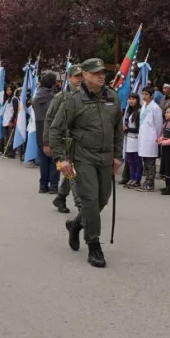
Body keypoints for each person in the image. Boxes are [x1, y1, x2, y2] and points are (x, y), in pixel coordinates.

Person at [50, 58, 123, 268]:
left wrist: (118, 155)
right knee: (90, 200)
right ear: (85, 76)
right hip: (83, 156)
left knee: (102, 199)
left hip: (106, 156)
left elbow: (118, 128)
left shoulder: (112, 96)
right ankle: (94, 245)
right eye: (97, 73)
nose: (102, 76)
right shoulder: (73, 100)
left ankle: (75, 224)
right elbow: (56, 129)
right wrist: (60, 159)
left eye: (103, 72)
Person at [45, 64, 84, 214]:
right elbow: (49, 120)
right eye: (76, 76)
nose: (79, 79)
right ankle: (80, 205)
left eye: (82, 76)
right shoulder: (60, 97)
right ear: (69, 78)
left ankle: (60, 197)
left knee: (72, 172)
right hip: (63, 141)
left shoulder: (85, 96)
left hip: (79, 141)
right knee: (72, 173)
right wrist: (47, 143)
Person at [33, 72, 60, 194]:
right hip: (53, 128)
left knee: (43, 159)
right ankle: (54, 185)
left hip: (39, 128)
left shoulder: (35, 98)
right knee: (56, 158)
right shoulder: (55, 98)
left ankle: (43, 185)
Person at [137, 87, 163, 192]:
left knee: (151, 161)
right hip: (143, 137)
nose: (144, 96)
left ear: (151, 95)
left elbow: (158, 125)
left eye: (146, 94)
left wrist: (157, 137)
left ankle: (150, 182)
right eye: (143, 94)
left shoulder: (155, 108)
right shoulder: (143, 106)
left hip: (151, 137)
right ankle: (146, 180)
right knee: (145, 160)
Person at [123, 92, 143, 189]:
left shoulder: (139, 111)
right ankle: (132, 177)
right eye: (129, 99)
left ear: (137, 100)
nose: (131, 101)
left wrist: (127, 129)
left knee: (137, 160)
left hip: (136, 139)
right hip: (129, 139)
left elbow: (139, 129)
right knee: (130, 160)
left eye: (133, 99)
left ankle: (137, 179)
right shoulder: (128, 111)